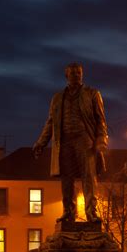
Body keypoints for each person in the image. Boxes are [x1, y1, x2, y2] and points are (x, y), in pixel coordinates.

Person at [32, 62, 108, 223]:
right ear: (66, 76)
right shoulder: (58, 98)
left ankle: (91, 213)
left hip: (84, 139)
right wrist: (41, 142)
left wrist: (101, 140)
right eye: (73, 73)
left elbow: (101, 120)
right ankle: (68, 212)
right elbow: (51, 122)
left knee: (89, 177)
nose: (76, 75)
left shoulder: (92, 94)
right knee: (67, 178)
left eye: (79, 73)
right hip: (64, 141)